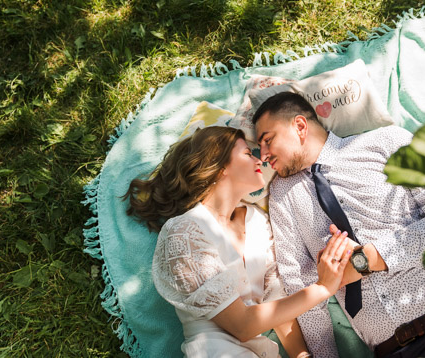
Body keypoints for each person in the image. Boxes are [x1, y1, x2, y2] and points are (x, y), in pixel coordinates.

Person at [253, 91, 425, 358]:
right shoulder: (281, 195)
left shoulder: (387, 141)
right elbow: (299, 284)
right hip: (394, 350)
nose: (263, 155)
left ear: (299, 125)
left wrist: (367, 259)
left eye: (268, 140)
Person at [124, 126, 354, 358]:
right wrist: (323, 287)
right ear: (220, 165)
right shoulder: (182, 232)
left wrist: (302, 355)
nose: (258, 160)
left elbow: (276, 302)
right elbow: (242, 326)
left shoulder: (258, 221)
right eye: (247, 153)